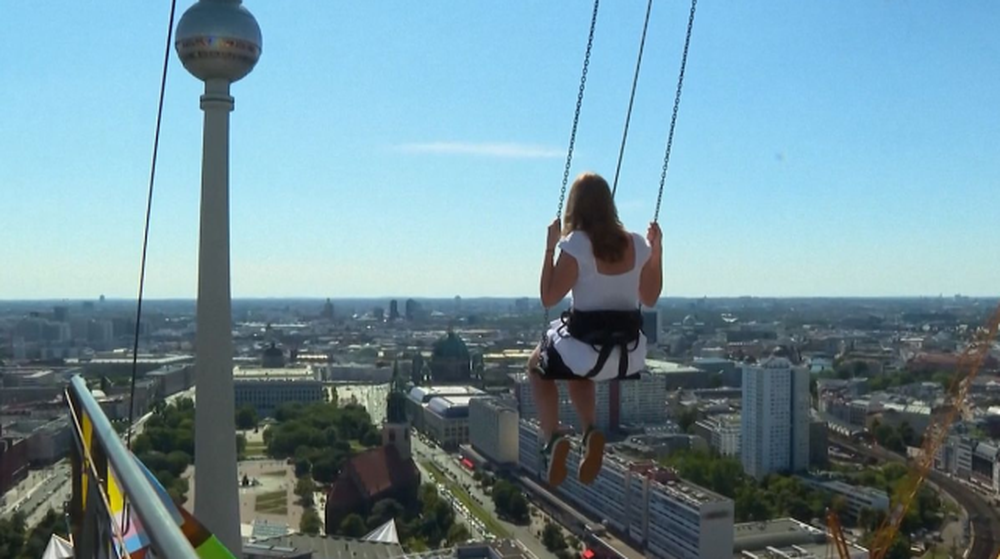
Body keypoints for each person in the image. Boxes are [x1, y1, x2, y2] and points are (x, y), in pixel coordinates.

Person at [529, 172, 663, 488]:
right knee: (579, 370)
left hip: (586, 349)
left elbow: (549, 297)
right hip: (628, 355)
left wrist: (550, 248)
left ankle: (552, 437)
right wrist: (656, 252)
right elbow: (650, 297)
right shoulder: (636, 244)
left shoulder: (577, 244)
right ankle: (590, 431)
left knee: (537, 365)